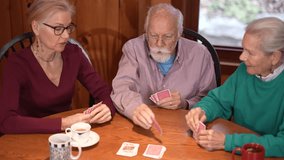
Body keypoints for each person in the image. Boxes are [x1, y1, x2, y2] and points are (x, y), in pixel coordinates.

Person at [0, 0, 116, 134]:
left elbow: (103, 91)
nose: (66, 35)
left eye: (68, 27)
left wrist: (107, 107)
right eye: (58, 28)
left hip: (65, 136)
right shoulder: (17, 64)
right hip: (28, 136)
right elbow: (6, 122)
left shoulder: (74, 54)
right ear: (36, 27)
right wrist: (63, 123)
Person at [185, 17, 284, 157]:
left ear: (274, 57)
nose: (242, 57)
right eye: (243, 49)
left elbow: (281, 144)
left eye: (250, 52)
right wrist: (202, 110)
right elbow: (218, 101)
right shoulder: (244, 70)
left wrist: (227, 142)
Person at [111, 3, 216, 129]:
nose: (159, 43)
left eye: (167, 36)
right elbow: (121, 88)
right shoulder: (133, 49)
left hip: (182, 128)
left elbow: (211, 99)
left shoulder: (200, 54)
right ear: (146, 32)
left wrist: (186, 103)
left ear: (179, 33)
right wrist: (134, 109)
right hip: (142, 127)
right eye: (153, 36)